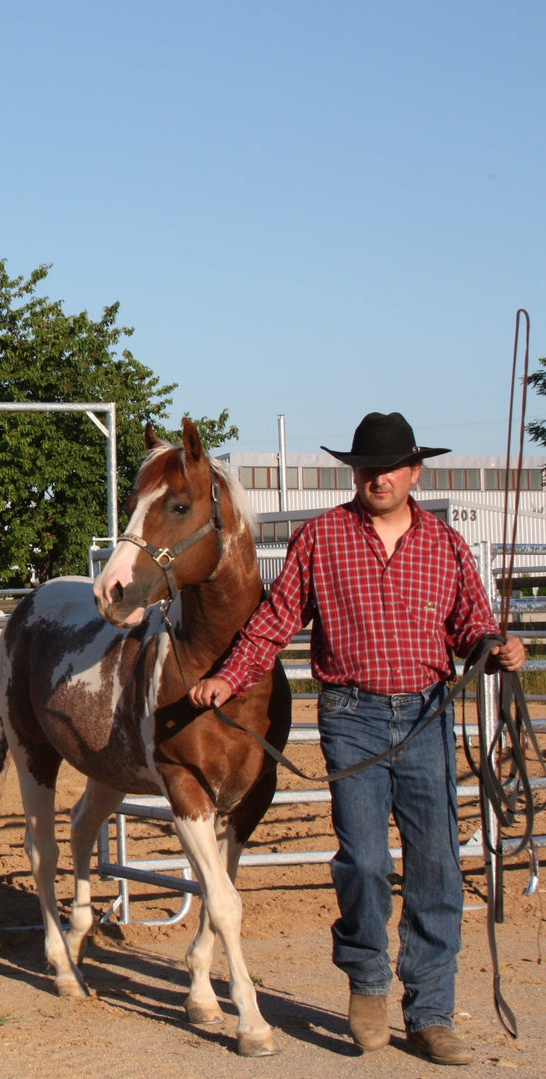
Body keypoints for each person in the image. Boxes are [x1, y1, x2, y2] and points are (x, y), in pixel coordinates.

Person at [190, 411, 525, 1067]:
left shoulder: (447, 545)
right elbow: (274, 620)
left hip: (428, 715)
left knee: (436, 867)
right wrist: (228, 678)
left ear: (412, 472)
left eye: (389, 468)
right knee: (364, 861)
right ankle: (368, 981)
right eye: (367, 468)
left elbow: (470, 626)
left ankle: (429, 1012)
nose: (378, 478)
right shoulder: (321, 537)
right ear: (356, 473)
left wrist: (496, 647)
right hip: (351, 714)